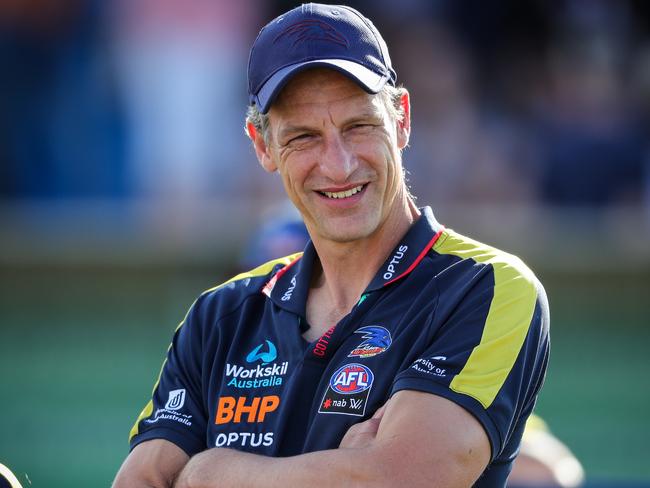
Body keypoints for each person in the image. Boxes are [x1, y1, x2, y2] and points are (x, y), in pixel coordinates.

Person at [113, 4, 550, 487]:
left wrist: (210, 473)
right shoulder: (218, 315)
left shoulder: (486, 288)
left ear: (401, 119)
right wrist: (342, 470)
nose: (339, 166)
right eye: (303, 137)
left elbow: (404, 480)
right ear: (262, 146)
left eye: (358, 126)